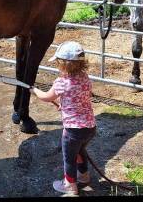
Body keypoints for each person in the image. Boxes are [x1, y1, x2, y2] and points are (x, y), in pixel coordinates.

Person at [31, 41, 96, 196]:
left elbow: (46, 97)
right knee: (81, 151)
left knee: (69, 158)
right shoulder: (85, 79)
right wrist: (65, 104)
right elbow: (82, 97)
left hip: (72, 131)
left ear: (63, 65)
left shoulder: (61, 83)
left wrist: (33, 90)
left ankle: (70, 186)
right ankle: (84, 176)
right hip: (90, 127)